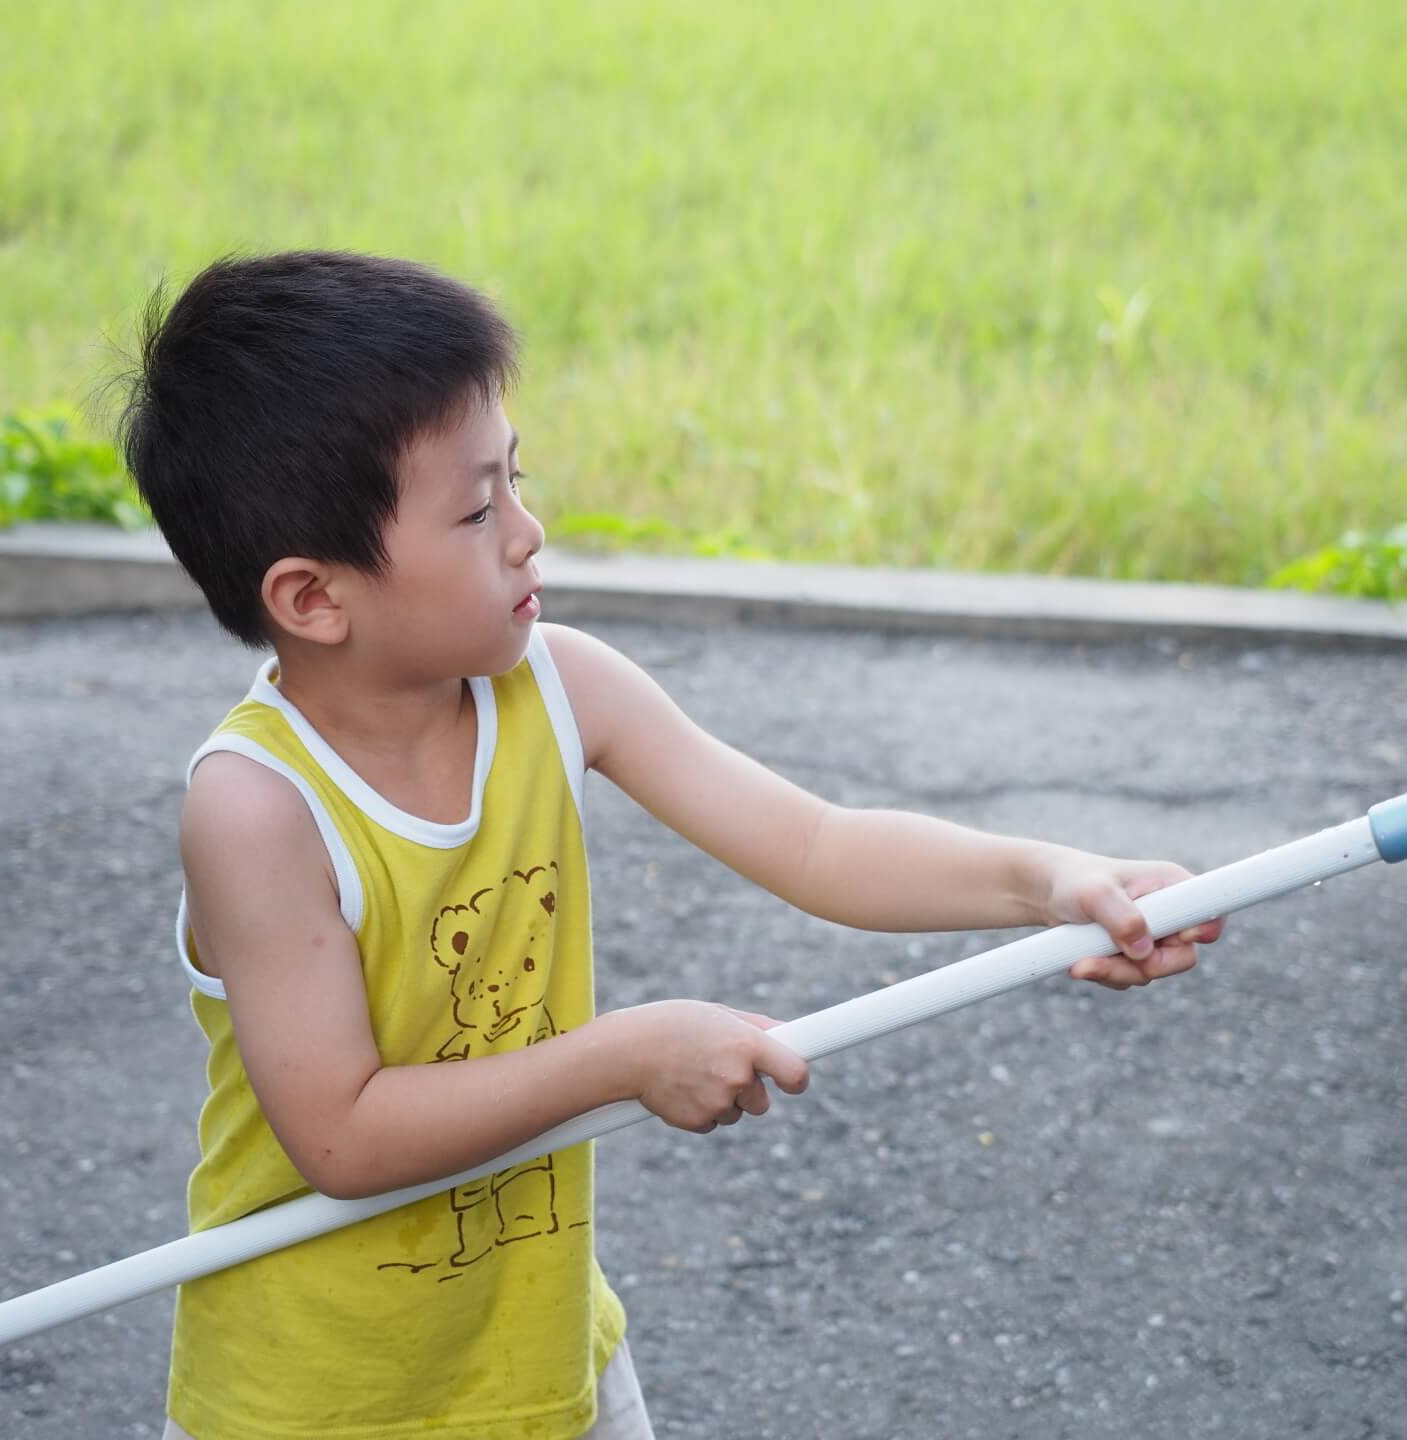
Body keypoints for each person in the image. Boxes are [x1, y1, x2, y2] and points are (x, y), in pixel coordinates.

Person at [116, 249, 1224, 1440]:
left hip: (544, 1362)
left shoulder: (557, 685)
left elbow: (818, 844)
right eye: (479, 508)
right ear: (315, 599)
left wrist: (1052, 881)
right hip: (319, 1404)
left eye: (518, 478)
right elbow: (342, 1130)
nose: (531, 534)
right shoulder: (259, 810)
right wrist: (624, 1055)